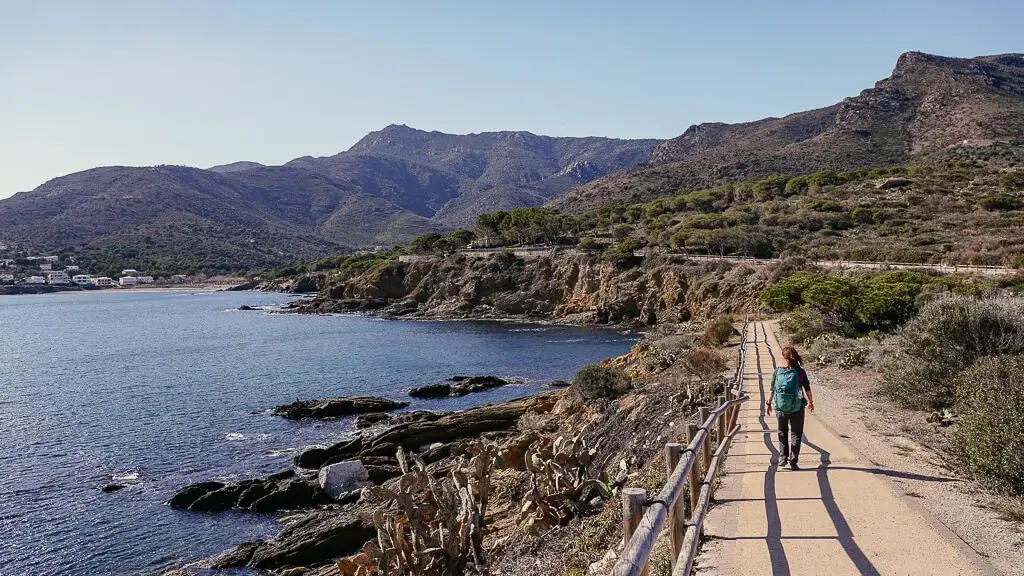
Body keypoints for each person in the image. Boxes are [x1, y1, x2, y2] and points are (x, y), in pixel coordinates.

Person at [766, 346, 815, 470]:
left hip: (781, 407)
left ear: (784, 358)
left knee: (782, 432)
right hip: (797, 407)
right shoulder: (800, 372)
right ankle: (793, 461)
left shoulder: (777, 372)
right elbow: (807, 388)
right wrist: (811, 402)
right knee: (796, 433)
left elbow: (772, 389)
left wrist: (768, 403)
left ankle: (783, 458)